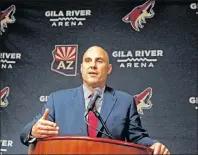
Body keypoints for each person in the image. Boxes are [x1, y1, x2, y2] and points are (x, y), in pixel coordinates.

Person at [20, 46, 170, 154]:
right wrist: (33, 131)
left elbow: (138, 138)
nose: (92, 65)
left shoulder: (125, 101)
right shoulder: (57, 100)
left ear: (109, 69)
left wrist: (154, 145)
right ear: (81, 67)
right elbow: (26, 133)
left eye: (99, 61)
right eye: (88, 60)